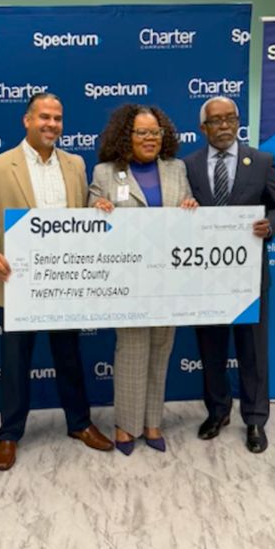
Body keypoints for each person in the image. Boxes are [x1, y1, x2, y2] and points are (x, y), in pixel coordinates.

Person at [0, 92, 115, 471]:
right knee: (15, 361)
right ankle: (9, 435)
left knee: (69, 356)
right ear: (27, 120)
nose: (52, 124)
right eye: (44, 118)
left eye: (58, 118)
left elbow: (81, 217)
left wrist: (96, 208)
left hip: (63, 281)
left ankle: (79, 424)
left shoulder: (75, 164)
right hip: (17, 282)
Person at [182, 96, 275, 453]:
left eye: (231, 118)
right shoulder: (189, 166)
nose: (226, 125)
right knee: (211, 349)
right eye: (217, 120)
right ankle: (217, 411)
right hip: (205, 278)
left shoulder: (261, 161)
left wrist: (269, 226)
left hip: (249, 277)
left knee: (253, 351)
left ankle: (256, 420)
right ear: (203, 128)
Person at [89, 103, 198, 455]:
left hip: (169, 281)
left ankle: (153, 423)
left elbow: (188, 208)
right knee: (132, 351)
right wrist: (97, 209)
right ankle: (126, 425)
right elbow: (90, 210)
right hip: (128, 282)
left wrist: (191, 208)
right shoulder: (106, 172)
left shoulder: (176, 169)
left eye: (155, 132)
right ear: (126, 135)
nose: (150, 139)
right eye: (142, 132)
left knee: (161, 349)